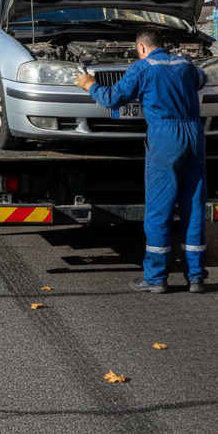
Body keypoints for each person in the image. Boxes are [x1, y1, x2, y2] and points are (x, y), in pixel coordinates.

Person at [75, 25, 208, 294]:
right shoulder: (184, 64)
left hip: (165, 136)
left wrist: (89, 84)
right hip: (195, 134)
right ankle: (196, 277)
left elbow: (112, 98)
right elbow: (202, 79)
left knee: (160, 207)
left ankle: (156, 278)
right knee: (194, 206)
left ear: (141, 48)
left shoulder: (141, 67)